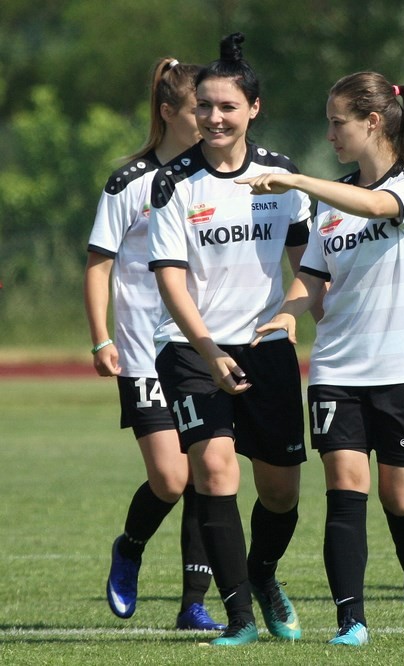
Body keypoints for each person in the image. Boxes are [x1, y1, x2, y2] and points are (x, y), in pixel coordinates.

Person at [239, 71, 404, 647]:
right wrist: (289, 313)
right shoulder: (332, 205)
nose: (330, 133)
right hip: (337, 369)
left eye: (337, 122)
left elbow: (377, 205)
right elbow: (312, 276)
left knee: (401, 499)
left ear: (373, 121)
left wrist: (297, 181)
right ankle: (351, 621)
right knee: (344, 491)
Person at [148, 33, 310, 646]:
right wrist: (210, 350)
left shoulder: (283, 175)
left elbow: (310, 265)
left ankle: (262, 573)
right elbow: (170, 280)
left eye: (227, 107)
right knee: (215, 471)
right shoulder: (173, 183)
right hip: (192, 347)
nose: (214, 118)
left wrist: (292, 314)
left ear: (253, 109)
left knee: (281, 491)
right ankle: (239, 618)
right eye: (205, 106)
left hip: (267, 348)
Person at [85, 56, 224, 632]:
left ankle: (194, 604)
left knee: (207, 470)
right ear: (169, 112)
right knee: (171, 478)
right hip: (143, 351)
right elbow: (98, 265)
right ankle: (131, 546)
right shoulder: (130, 183)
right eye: (199, 108)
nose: (212, 118)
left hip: (201, 350)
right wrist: (100, 338)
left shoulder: (214, 179)